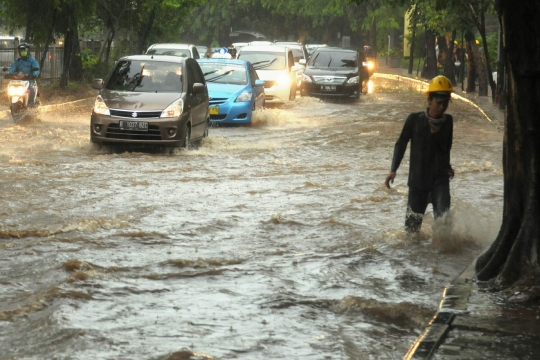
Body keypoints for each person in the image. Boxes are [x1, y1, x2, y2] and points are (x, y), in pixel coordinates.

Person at [384, 75, 455, 233]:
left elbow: (446, 148)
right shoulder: (414, 120)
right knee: (411, 231)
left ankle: (441, 256)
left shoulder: (448, 122)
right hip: (418, 183)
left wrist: (448, 166)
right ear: (429, 100)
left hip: (440, 181)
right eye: (439, 102)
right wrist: (393, 170)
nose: (442, 107)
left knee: (444, 227)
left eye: (445, 103)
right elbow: (401, 143)